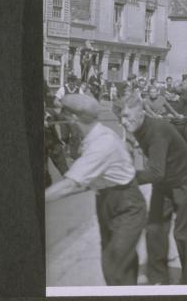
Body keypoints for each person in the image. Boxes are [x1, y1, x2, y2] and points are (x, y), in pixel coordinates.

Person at [46, 94, 147, 286]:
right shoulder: (98, 136)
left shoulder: (101, 144)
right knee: (118, 262)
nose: (59, 119)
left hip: (127, 205)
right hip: (107, 200)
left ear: (73, 118)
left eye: (62, 115)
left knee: (115, 264)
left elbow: (70, 184)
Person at [120, 94, 187, 285]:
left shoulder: (157, 131)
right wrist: (127, 146)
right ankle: (159, 278)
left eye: (127, 116)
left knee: (183, 233)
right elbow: (131, 142)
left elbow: (156, 172)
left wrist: (126, 178)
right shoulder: (137, 125)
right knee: (154, 228)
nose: (123, 122)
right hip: (165, 181)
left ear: (141, 114)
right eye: (121, 117)